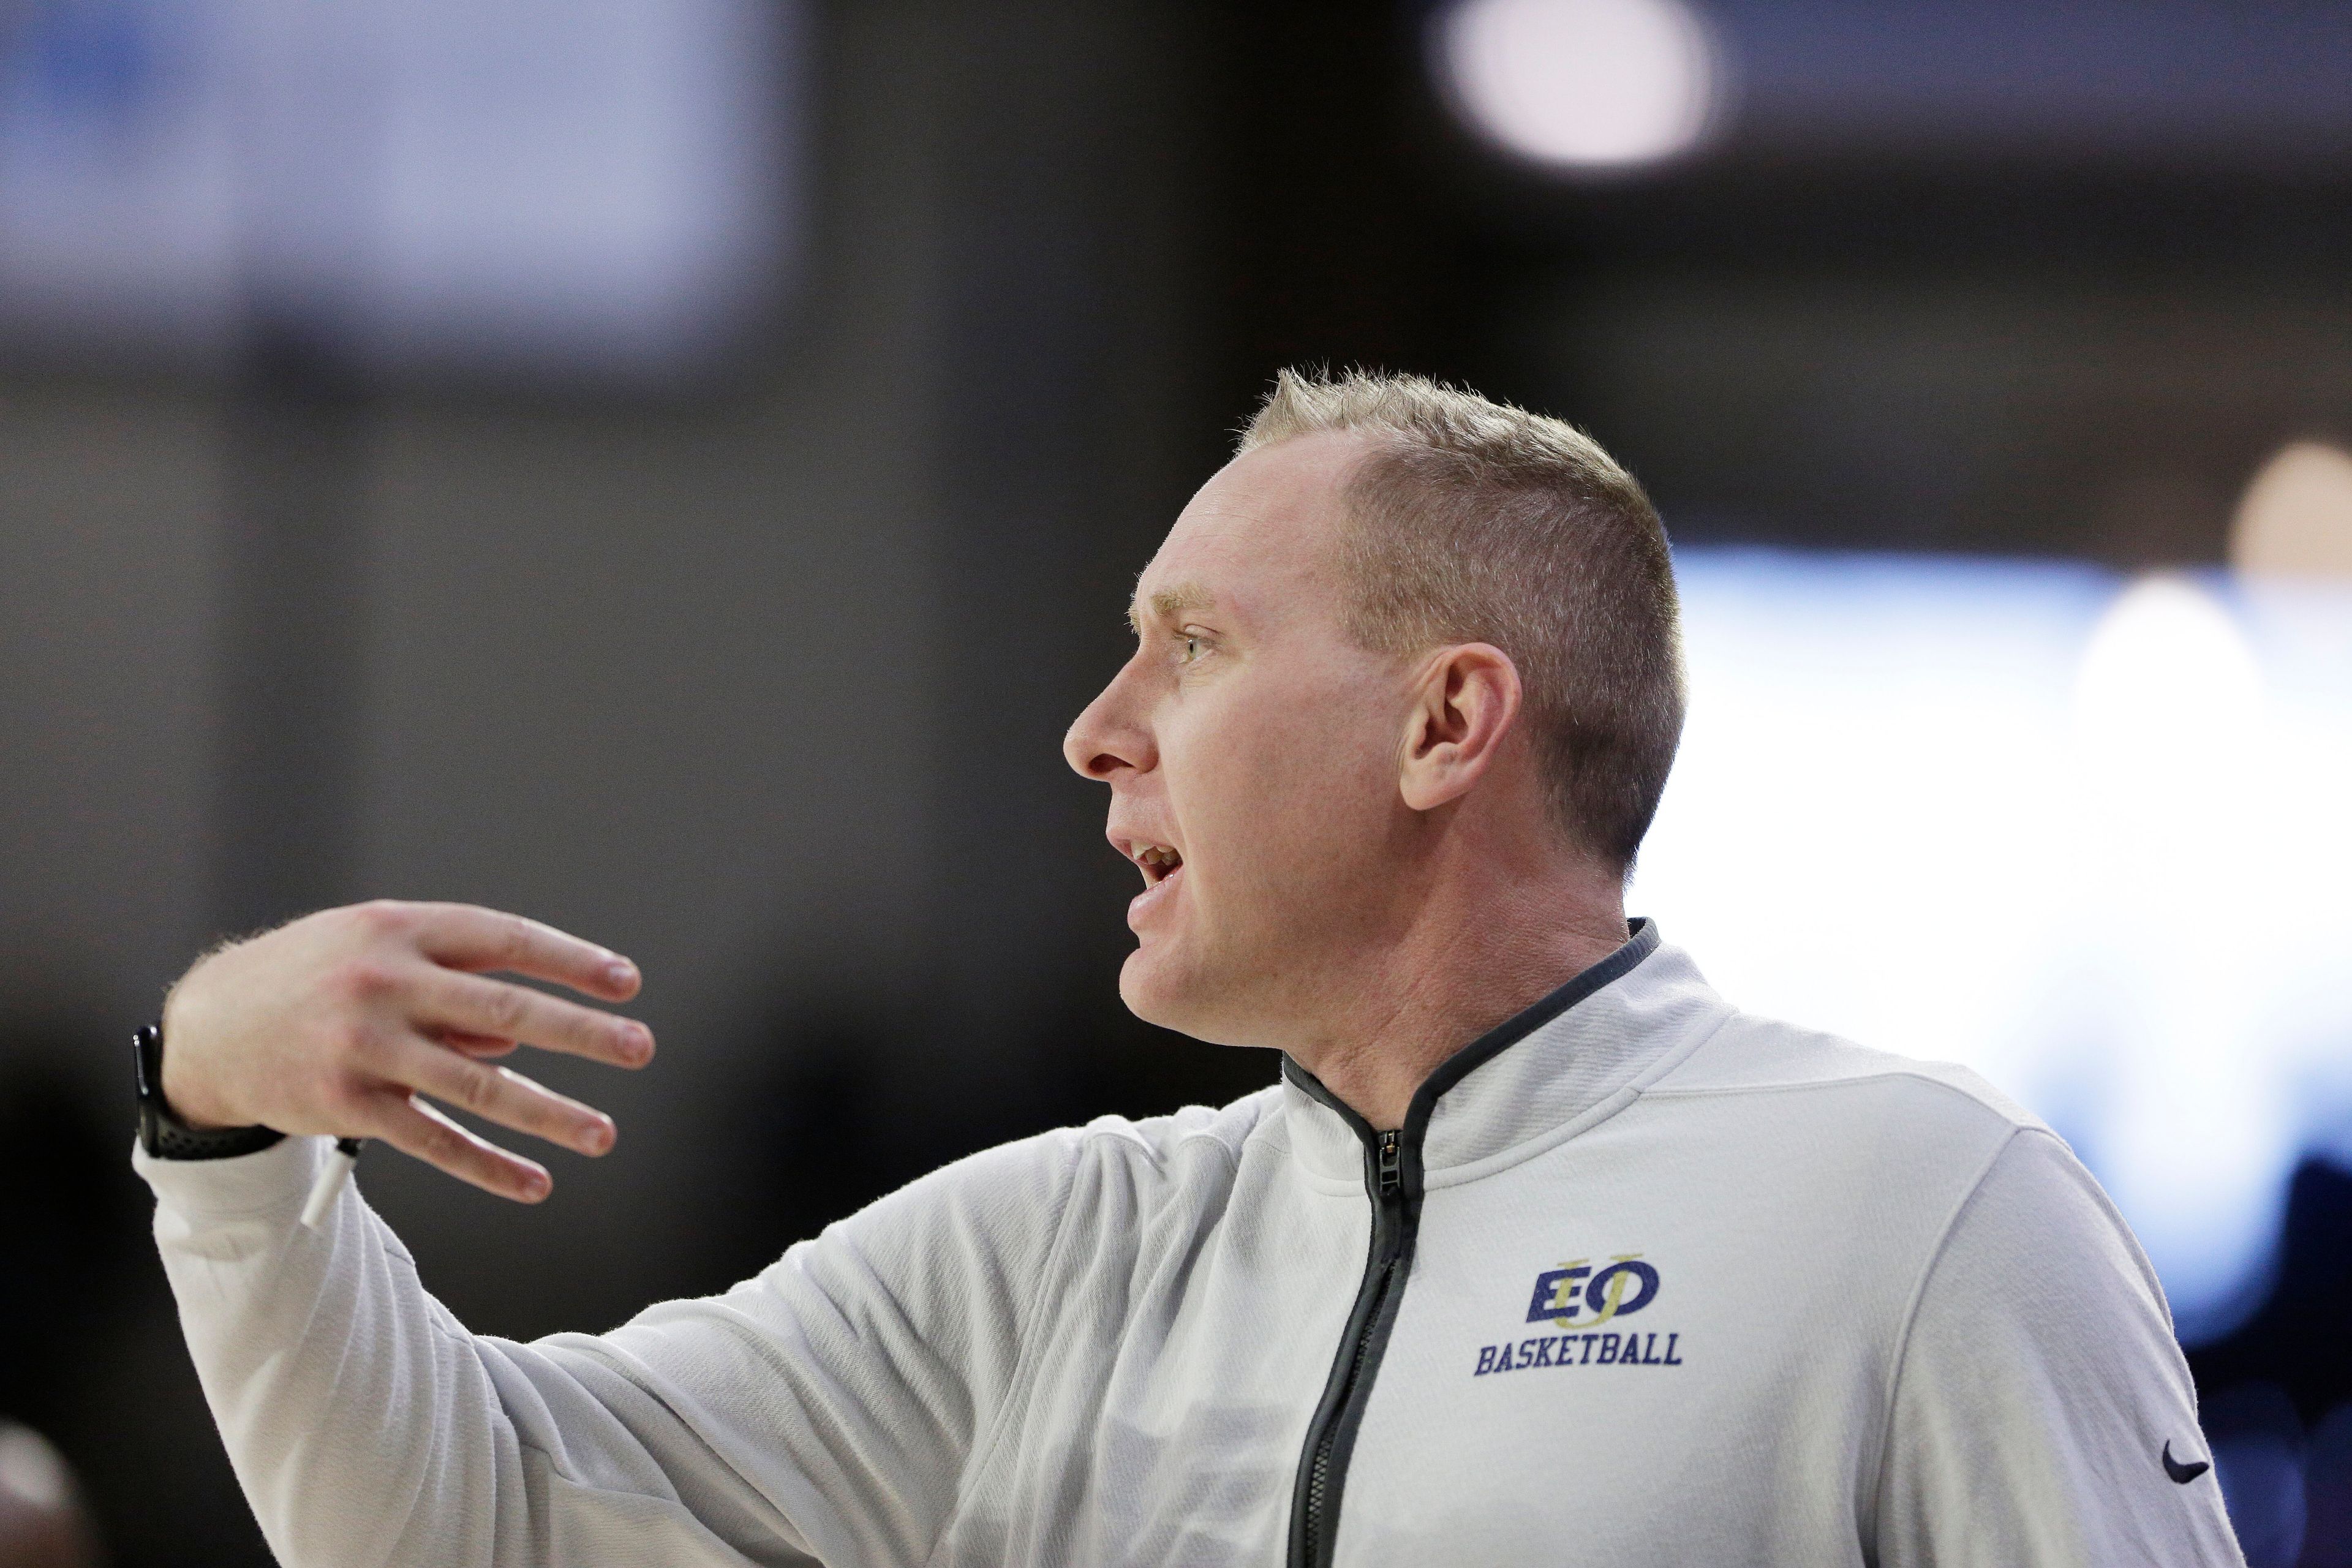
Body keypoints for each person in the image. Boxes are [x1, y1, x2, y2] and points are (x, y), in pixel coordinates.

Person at [137, 370, 2244, 1566]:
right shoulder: (1058, 1257)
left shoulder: (1915, 1210)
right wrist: (217, 1111)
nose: (1097, 725)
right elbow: (472, 1521)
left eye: (1198, 643)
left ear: (1447, 726)